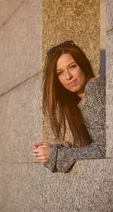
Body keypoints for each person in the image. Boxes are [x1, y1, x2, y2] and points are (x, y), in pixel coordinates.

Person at [32, 40, 106, 173]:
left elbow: (104, 148)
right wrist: (54, 150)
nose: (68, 76)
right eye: (60, 73)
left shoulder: (94, 88)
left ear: (82, 65)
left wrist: (56, 155)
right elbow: (91, 148)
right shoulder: (79, 100)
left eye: (72, 66)